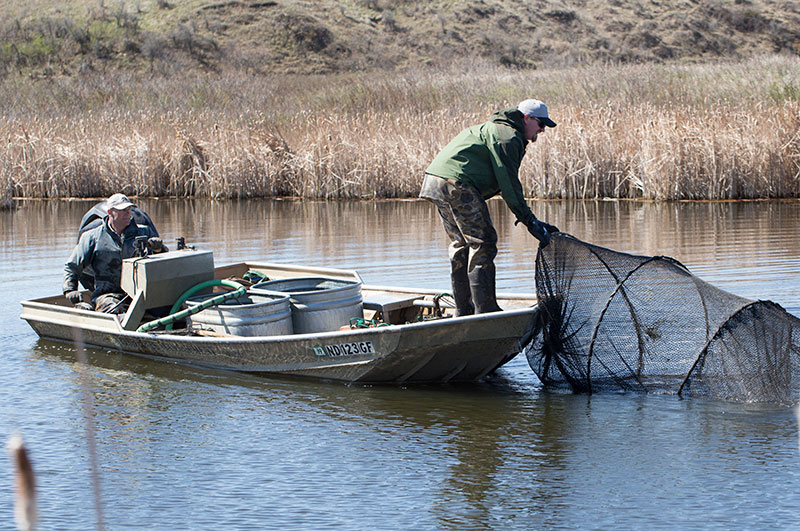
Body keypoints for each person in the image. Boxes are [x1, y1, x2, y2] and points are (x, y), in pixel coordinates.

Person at [419, 99, 560, 316]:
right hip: (457, 182)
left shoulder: (496, 129)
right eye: (540, 124)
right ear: (526, 118)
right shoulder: (508, 136)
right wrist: (529, 220)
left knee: (462, 244)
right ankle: (486, 310)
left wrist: (528, 219)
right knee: (483, 243)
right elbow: (509, 183)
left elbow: (503, 182)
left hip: (435, 181)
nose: (542, 130)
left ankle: (464, 310)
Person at [63, 193, 165, 314]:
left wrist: (159, 249)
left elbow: (163, 262)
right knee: (115, 310)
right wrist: (70, 290)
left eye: (129, 209)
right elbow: (72, 266)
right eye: (123, 210)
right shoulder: (92, 237)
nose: (128, 213)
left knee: (166, 309)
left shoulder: (145, 232)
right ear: (110, 212)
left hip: (140, 294)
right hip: (107, 295)